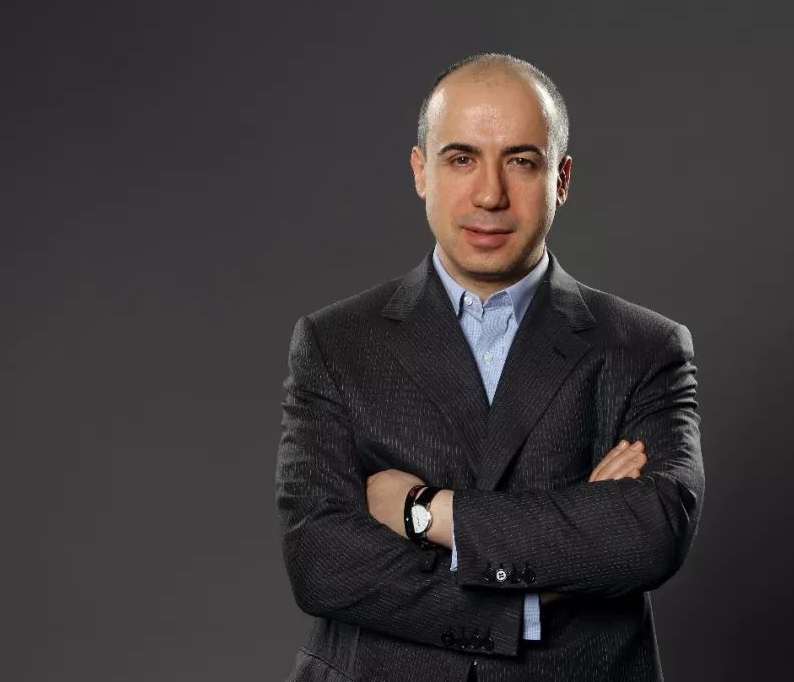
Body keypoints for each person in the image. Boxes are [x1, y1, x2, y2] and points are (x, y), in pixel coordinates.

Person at [275, 53, 704, 682]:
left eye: (521, 161)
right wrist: (539, 588)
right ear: (420, 171)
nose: (490, 194)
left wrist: (426, 512)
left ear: (561, 178)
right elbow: (322, 562)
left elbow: (648, 535)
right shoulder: (334, 343)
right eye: (461, 158)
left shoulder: (645, 347)